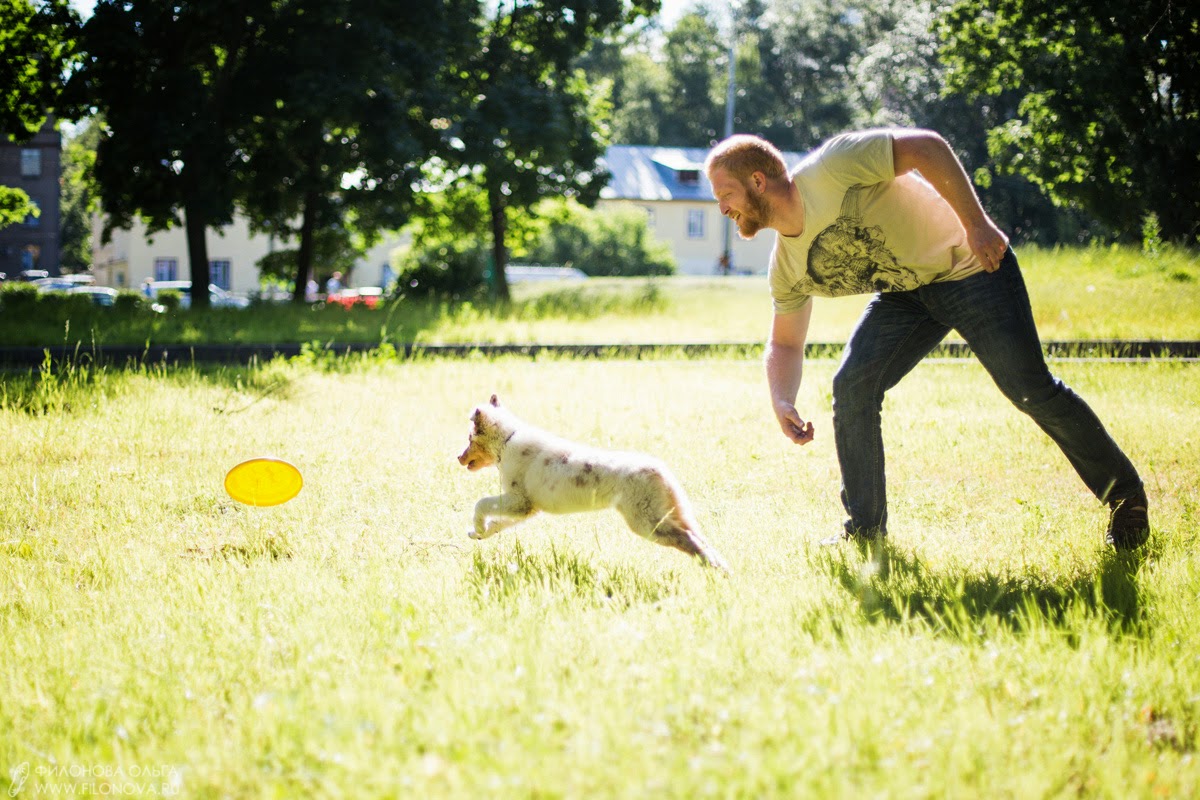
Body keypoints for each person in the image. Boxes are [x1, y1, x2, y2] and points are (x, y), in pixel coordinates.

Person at [704, 128, 1149, 551]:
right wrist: (782, 400)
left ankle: (1126, 497)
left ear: (758, 181)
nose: (722, 208)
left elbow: (927, 147)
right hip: (906, 295)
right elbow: (785, 343)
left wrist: (976, 223)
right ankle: (864, 530)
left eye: (725, 195)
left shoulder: (834, 167)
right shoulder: (787, 265)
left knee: (1029, 388)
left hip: (971, 265)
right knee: (853, 386)